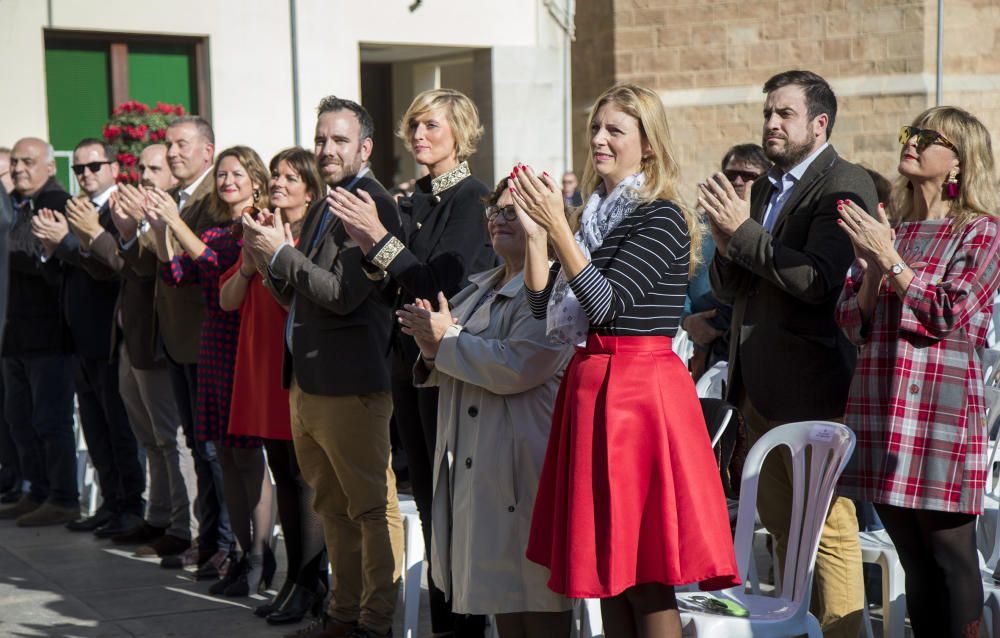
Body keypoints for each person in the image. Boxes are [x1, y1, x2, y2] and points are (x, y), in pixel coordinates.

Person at [516, 84, 739, 638]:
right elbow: (545, 309)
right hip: (596, 387)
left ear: (648, 145)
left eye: (615, 130)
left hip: (639, 394)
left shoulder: (660, 216)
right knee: (606, 574)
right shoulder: (594, 217)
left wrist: (562, 233)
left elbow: (607, 304)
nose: (599, 139)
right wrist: (535, 237)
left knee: (645, 575)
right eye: (596, 128)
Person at [702, 69, 877, 637]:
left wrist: (743, 233)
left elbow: (817, 278)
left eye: (785, 114)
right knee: (783, 530)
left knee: (825, 533)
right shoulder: (770, 188)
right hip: (758, 389)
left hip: (811, 389)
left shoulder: (843, 184)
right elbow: (736, 289)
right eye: (768, 114)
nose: (771, 124)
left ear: (819, 123)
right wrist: (728, 243)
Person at [328, 87, 494, 637]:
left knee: (450, 502)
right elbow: (397, 289)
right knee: (425, 495)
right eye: (415, 125)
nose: (419, 135)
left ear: (461, 134)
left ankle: (461, 624)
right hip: (407, 360)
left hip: (447, 365)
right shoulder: (416, 198)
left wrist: (380, 241)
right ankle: (444, 618)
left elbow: (443, 288)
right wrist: (374, 252)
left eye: (433, 126)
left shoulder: (470, 199)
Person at [835, 106, 1000, 637]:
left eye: (930, 137)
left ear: (959, 161)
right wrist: (871, 268)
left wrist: (891, 261)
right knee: (912, 558)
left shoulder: (982, 231)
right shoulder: (894, 230)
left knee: (951, 555)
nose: (913, 141)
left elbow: (948, 311)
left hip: (940, 410)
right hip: (882, 402)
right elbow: (851, 321)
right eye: (911, 131)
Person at [245, 95, 404, 638]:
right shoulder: (324, 203)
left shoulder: (376, 204)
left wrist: (281, 255)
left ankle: (376, 622)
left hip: (352, 385)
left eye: (338, 140)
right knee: (331, 508)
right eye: (320, 139)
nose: (327, 149)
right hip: (309, 382)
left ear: (365, 147)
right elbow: (298, 296)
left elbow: (341, 294)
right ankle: (342, 613)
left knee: (369, 510)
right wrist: (269, 256)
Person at [397, 177, 575, 637]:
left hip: (524, 459)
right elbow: (449, 349)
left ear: (544, 220)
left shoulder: (554, 287)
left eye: (512, 211)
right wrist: (430, 343)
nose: (499, 219)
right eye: (494, 211)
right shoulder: (480, 285)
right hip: (483, 461)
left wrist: (444, 340)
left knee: (536, 594)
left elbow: (521, 364)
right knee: (501, 594)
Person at [148, 145, 272, 595]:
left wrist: (176, 223)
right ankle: (240, 554)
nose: (227, 182)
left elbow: (221, 267)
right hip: (213, 351)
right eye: (221, 175)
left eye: (236, 174)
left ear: (256, 180)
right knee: (223, 454)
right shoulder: (216, 228)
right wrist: (162, 228)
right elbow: (178, 274)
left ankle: (261, 557)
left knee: (246, 456)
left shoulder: (256, 226)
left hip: (245, 349)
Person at [219, 147, 328, 623]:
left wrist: (279, 255)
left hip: (295, 367)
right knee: (282, 474)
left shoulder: (316, 234)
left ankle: (312, 582)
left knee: (305, 481)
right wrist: (250, 260)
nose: (279, 183)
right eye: (277, 175)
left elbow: (306, 301)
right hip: (259, 365)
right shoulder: (259, 227)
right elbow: (227, 299)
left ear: (310, 188)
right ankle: (291, 580)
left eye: (290, 177)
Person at [76, 143, 192, 556]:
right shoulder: (140, 214)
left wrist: (110, 234)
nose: (143, 176)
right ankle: (158, 518)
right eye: (140, 167)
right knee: (150, 440)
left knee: (169, 440)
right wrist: (93, 238)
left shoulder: (169, 215)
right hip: (129, 340)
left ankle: (182, 527)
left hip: (158, 343)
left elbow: (142, 269)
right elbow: (118, 270)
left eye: (154, 168)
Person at [31, 138, 145, 538]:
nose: (86, 174)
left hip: (111, 334)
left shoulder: (119, 209)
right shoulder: (79, 210)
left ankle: (131, 506)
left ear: (114, 167)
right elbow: (66, 275)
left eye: (94, 166)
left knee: (119, 429)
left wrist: (69, 240)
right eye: (78, 169)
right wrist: (52, 247)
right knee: (95, 429)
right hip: (78, 336)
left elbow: (114, 267)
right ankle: (112, 505)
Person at [140, 116, 233, 577]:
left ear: (207, 151)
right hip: (177, 340)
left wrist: (171, 222)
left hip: (207, 340)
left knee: (215, 450)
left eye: (182, 145)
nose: (173, 153)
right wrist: (158, 226)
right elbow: (168, 266)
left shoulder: (213, 199)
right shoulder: (175, 197)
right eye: (169, 145)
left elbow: (209, 264)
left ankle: (229, 545)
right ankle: (209, 536)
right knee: (198, 447)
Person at [0, 137, 79, 527]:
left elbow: (52, 262)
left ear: (50, 166)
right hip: (17, 337)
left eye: (27, 162)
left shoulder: (56, 204)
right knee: (20, 419)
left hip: (48, 337)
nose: (18, 169)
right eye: (14, 162)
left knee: (50, 421)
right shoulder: (21, 205)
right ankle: (38, 491)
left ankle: (63, 497)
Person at [681, 143, 770, 380]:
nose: (738, 182)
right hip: (699, 351)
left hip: (750, 349)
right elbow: (675, 279)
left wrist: (719, 323)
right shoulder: (697, 227)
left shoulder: (769, 227)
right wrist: (688, 320)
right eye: (731, 175)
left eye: (749, 175)